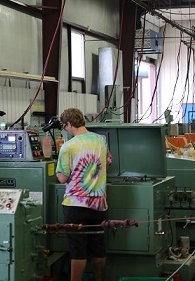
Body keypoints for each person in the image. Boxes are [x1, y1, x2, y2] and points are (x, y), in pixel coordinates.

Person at [55, 108, 112, 281]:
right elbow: (108, 162)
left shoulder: (68, 146)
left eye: (66, 126)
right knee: (98, 245)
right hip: (98, 204)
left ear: (69, 124)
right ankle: (98, 278)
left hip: (75, 205)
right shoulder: (101, 140)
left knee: (77, 250)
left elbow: (63, 178)